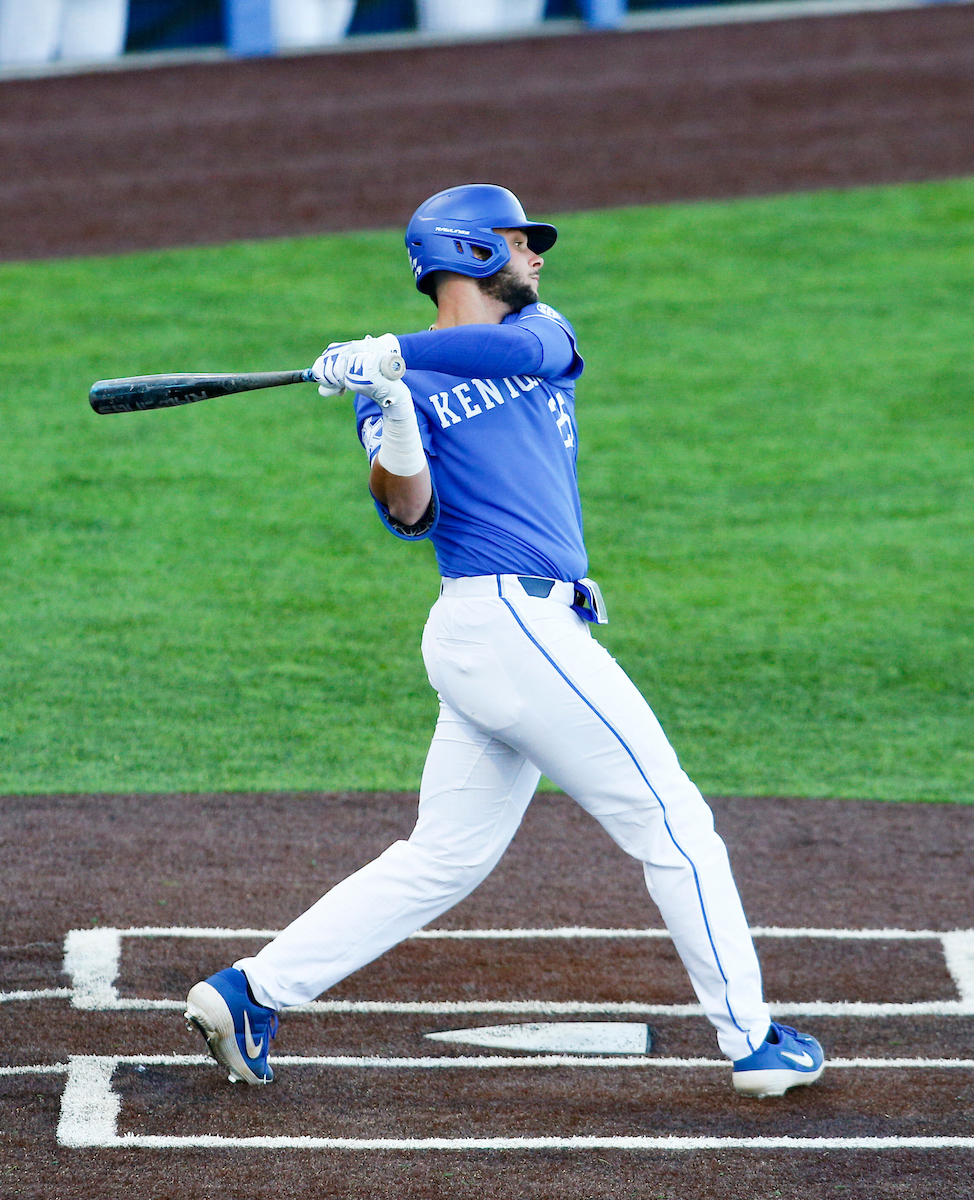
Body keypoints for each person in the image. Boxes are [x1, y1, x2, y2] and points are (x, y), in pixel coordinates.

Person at [184, 183, 825, 1100]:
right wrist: (393, 407)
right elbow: (409, 511)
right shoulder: (397, 381)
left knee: (444, 857)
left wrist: (395, 353)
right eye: (521, 242)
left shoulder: (538, 332)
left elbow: (525, 352)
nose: (537, 256)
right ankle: (754, 1041)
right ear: (471, 250)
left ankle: (251, 991)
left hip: (508, 635)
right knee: (674, 823)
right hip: (501, 624)